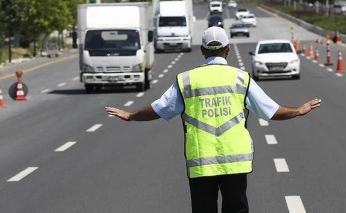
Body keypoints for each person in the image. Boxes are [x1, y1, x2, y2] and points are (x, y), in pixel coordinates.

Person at [105, 26, 321, 213]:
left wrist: (131, 116)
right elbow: (271, 111)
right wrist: (298, 110)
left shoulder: (187, 80)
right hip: (235, 163)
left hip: (201, 162)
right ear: (227, 50)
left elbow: (160, 109)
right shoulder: (241, 78)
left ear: (202, 51)